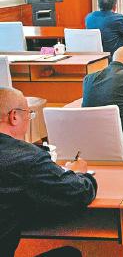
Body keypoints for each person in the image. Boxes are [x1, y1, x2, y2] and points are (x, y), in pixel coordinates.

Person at [0, 87, 97, 256]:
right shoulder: (26, 158)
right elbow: (79, 192)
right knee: (69, 254)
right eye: (29, 114)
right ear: (14, 116)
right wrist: (79, 174)